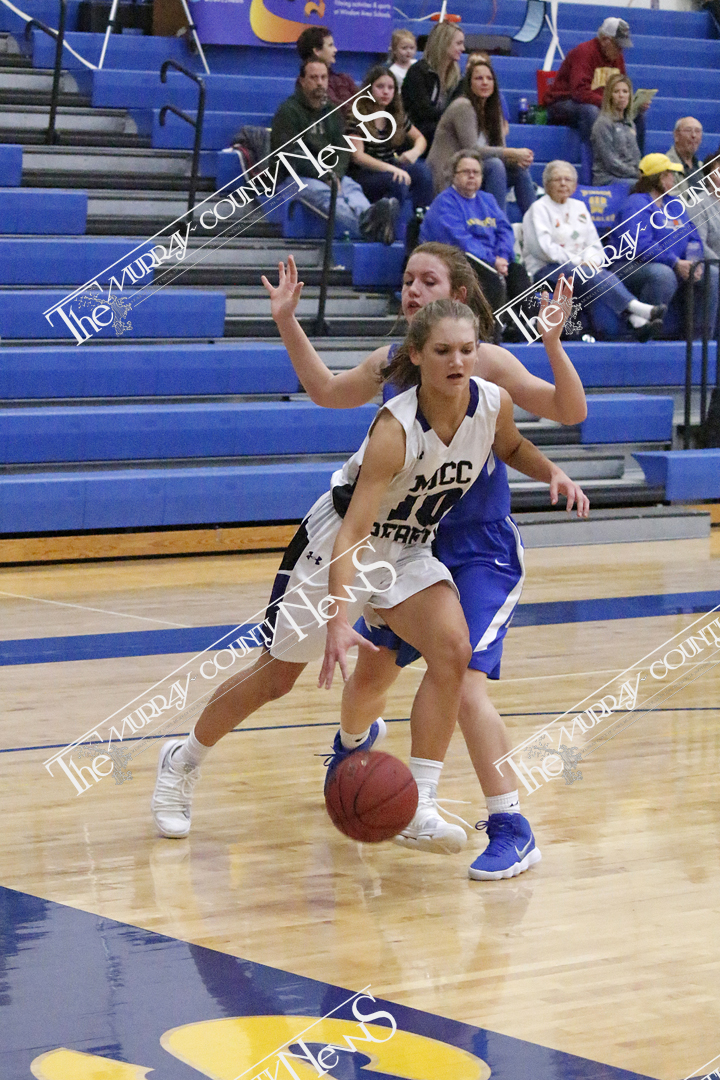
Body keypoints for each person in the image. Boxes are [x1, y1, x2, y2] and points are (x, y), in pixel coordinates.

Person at [150, 275, 586, 881]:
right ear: (417, 355)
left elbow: (510, 447)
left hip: (410, 546)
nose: (457, 361)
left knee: (452, 650)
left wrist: (553, 472)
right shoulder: (394, 427)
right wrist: (337, 619)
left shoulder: (491, 401)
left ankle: (421, 804)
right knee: (276, 678)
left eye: (466, 350)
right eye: (443, 351)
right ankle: (182, 758)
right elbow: (354, 532)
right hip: (341, 541)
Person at [522, 160, 666, 341]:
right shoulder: (538, 209)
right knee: (591, 274)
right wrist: (579, 262)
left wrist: (592, 261)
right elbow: (543, 249)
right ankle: (638, 310)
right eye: (557, 179)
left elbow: (594, 244)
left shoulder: (579, 207)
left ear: (575, 185)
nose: (563, 184)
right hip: (546, 271)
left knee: (596, 274)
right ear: (547, 184)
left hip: (580, 271)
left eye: (568, 179)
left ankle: (637, 321)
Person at [270, 59, 398, 244]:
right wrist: (325, 176)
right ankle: (368, 228)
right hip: (293, 177)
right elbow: (290, 156)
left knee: (352, 187)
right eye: (314, 77)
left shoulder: (331, 111)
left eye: (323, 77)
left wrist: (335, 174)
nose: (320, 82)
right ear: (302, 81)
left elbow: (343, 149)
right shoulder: (288, 111)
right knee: (325, 194)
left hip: (329, 174)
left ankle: (369, 216)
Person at [612, 153, 719, 339]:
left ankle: (700, 341)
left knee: (712, 273)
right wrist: (675, 262)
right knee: (663, 274)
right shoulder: (636, 203)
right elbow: (640, 246)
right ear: (659, 178)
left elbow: (693, 237)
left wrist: (693, 263)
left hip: (674, 264)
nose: (673, 179)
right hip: (631, 266)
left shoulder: (674, 204)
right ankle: (645, 332)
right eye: (670, 175)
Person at [420, 150, 532, 326]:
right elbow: (460, 240)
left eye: (476, 172)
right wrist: (493, 260)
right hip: (461, 263)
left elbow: (504, 230)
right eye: (466, 172)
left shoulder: (487, 200)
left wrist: (502, 256)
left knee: (518, 273)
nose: (471, 176)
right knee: (489, 279)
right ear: (454, 175)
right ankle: (491, 331)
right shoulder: (444, 203)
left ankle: (530, 326)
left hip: (494, 261)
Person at [426, 55, 535, 217]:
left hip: (478, 172)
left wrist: (517, 159)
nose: (485, 82)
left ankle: (535, 222)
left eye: (489, 78)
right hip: (451, 173)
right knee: (495, 165)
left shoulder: (494, 110)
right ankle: (496, 223)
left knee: (518, 169)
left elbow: (500, 150)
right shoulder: (463, 106)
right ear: (469, 83)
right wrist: (511, 152)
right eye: (479, 78)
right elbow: (471, 150)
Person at [545, 17, 648, 184]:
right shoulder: (584, 52)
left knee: (638, 117)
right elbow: (579, 92)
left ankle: (636, 168)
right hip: (563, 103)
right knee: (591, 112)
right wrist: (610, 104)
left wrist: (632, 104)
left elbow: (622, 84)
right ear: (605, 40)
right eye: (618, 45)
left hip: (601, 105)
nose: (621, 50)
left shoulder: (617, 57)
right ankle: (599, 171)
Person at [347, 65, 433, 227]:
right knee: (398, 180)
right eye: (380, 87)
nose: (386, 92)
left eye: (390, 88)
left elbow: (420, 139)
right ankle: (386, 228)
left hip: (389, 168)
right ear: (369, 89)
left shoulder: (395, 115)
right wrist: (392, 169)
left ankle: (421, 224)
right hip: (364, 174)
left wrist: (414, 152)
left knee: (422, 171)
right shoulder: (357, 115)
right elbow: (358, 157)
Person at [401, 21, 465, 151]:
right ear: (444, 43)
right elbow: (423, 113)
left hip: (443, 132)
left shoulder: (457, 77)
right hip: (418, 135)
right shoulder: (419, 72)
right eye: (458, 43)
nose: (463, 48)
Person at [590, 72, 640, 188]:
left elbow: (636, 155)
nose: (621, 95)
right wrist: (636, 174)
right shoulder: (602, 123)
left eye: (625, 91)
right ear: (609, 96)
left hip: (630, 176)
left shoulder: (630, 124)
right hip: (607, 179)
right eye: (616, 92)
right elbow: (610, 162)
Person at [296, 25, 357, 111]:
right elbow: (331, 108)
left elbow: (363, 102)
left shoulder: (344, 79)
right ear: (317, 51)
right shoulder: (305, 83)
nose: (335, 50)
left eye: (323, 77)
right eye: (330, 45)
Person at [666, 117, 704, 193]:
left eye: (697, 131)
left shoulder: (701, 166)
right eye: (688, 130)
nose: (694, 135)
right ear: (676, 135)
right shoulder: (666, 167)